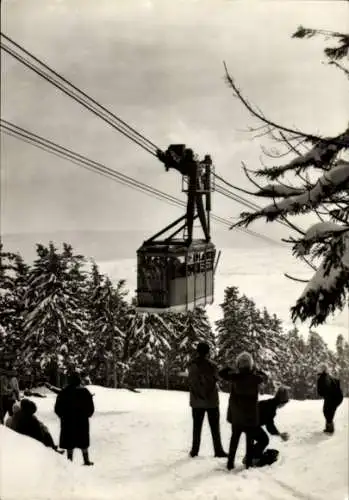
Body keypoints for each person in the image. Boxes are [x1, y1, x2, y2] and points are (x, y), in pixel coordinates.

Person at [219, 352, 267, 470]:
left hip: (237, 415)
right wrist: (255, 369)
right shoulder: (256, 378)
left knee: (234, 438)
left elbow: (221, 373)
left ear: (239, 364)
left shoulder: (235, 376)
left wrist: (232, 368)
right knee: (249, 440)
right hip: (250, 416)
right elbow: (264, 376)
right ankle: (248, 464)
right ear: (251, 365)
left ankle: (230, 463)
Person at [157, 145, 210, 244]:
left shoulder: (188, 165)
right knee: (201, 213)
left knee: (190, 214)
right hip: (198, 190)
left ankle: (189, 237)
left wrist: (164, 158)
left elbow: (179, 167)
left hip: (192, 190)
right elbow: (179, 165)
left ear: (187, 156)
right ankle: (207, 236)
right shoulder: (195, 164)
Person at [188, 342, 227, 458]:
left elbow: (191, 381)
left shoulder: (191, 365)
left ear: (197, 351)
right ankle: (218, 450)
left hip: (196, 402)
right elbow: (218, 378)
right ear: (208, 352)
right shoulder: (213, 366)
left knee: (196, 428)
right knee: (215, 428)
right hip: (211, 401)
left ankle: (194, 451)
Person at [242, 386, 290, 466]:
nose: (284, 405)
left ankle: (250, 457)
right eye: (285, 403)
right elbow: (270, 426)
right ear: (282, 402)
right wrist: (280, 434)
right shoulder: (271, 408)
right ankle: (252, 459)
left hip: (245, 421)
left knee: (260, 438)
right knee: (264, 440)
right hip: (248, 423)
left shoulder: (270, 403)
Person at [54, 372, 95, 465]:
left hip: (67, 421)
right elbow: (90, 407)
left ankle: (69, 461)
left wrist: (63, 416)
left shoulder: (63, 392)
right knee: (83, 440)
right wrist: (86, 415)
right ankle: (86, 460)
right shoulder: (85, 391)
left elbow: (57, 408)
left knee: (69, 441)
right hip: (82, 421)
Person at [317, 363, 343, 434]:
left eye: (319, 368)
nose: (317, 370)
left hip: (332, 397)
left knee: (327, 411)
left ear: (322, 370)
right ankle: (329, 427)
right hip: (336, 397)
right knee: (328, 411)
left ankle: (330, 428)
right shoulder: (327, 376)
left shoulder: (323, 377)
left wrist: (323, 392)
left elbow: (322, 390)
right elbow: (337, 381)